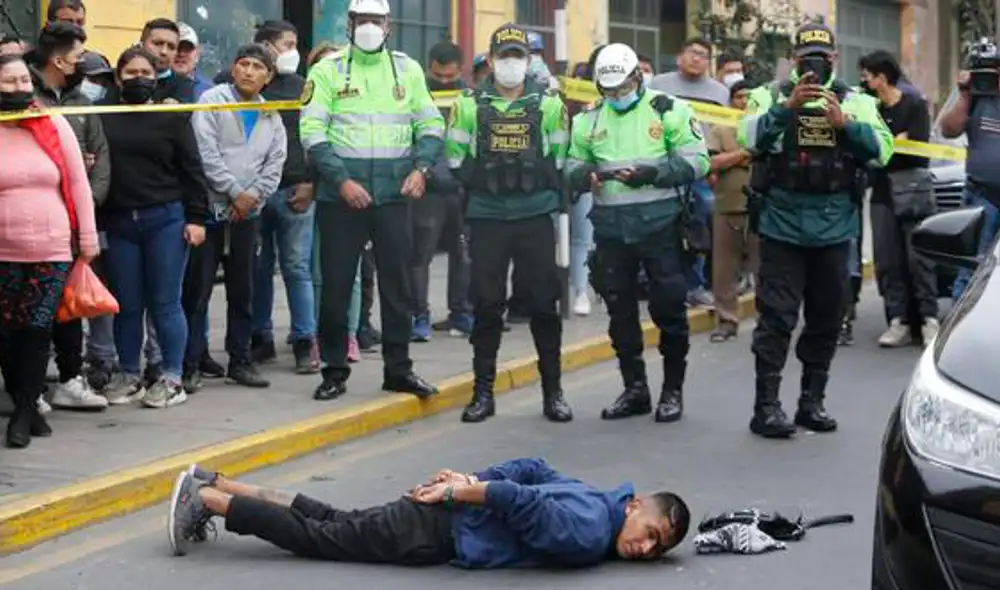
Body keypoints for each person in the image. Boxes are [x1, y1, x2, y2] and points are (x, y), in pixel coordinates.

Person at [737, 23, 893, 439]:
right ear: (793, 55)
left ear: (835, 59)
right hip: (782, 225)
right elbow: (747, 138)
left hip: (834, 227)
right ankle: (765, 407)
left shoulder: (856, 101)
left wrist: (846, 126)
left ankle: (811, 402)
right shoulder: (767, 95)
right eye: (807, 55)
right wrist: (784, 109)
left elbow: (882, 151)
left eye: (822, 56)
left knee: (826, 319)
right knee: (776, 319)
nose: (815, 63)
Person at [300, 0, 444, 401]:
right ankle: (333, 371)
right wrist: (342, 181)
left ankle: (399, 370)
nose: (368, 27)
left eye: (375, 20)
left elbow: (431, 123)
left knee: (397, 288)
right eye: (360, 20)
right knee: (336, 289)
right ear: (349, 24)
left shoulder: (407, 69)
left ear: (389, 25)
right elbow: (312, 132)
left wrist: (422, 169)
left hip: (395, 197)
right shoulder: (327, 70)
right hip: (341, 198)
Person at [166, 458, 691, 567]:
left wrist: (468, 478)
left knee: (332, 519)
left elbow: (530, 469)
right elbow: (519, 497)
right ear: (636, 505)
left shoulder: (591, 492)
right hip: (438, 531)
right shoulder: (589, 533)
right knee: (320, 537)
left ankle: (217, 482)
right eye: (650, 533)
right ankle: (206, 501)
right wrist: (459, 492)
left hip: (444, 515)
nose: (645, 547)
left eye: (656, 548)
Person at [566, 43, 710, 423]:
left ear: (637, 77)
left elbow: (699, 161)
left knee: (669, 311)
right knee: (620, 314)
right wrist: (585, 176)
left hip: (661, 228)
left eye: (622, 88)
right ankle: (635, 390)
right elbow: (570, 167)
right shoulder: (589, 119)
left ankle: (672, 392)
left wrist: (655, 173)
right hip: (612, 232)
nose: (616, 96)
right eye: (608, 90)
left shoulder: (669, 110)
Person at [446, 24, 572, 424]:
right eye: (505, 56)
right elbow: (454, 158)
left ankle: (553, 393)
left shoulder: (549, 106)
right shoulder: (469, 105)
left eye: (519, 56)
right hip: (487, 219)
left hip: (535, 216)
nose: (512, 64)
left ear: (530, 60)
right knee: (486, 305)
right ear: (491, 60)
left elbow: (561, 159)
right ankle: (483, 393)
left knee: (543, 306)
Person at [99, 46, 208, 408]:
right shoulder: (103, 115)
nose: (139, 79)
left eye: (146, 73)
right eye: (131, 73)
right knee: (127, 305)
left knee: (165, 303)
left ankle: (172, 377)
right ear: (118, 79)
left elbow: (192, 168)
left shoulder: (171, 115)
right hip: (119, 222)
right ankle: (129, 374)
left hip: (165, 219)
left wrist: (196, 218)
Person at [0, 54, 99, 446]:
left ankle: (25, 410)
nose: (18, 87)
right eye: (8, 81)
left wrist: (87, 241)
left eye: (23, 80)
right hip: (4, 250)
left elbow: (78, 184)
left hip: (52, 247)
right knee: (7, 332)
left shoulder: (54, 124)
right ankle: (24, 400)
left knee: (38, 327)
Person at [185, 44, 286, 391]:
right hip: (211, 211)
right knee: (197, 289)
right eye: (243, 64)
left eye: (258, 67)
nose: (249, 72)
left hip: (248, 215)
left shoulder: (271, 114)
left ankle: (240, 360)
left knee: (243, 289)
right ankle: (191, 361)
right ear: (233, 67)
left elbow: (275, 164)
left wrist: (252, 197)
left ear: (268, 77)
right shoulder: (213, 100)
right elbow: (205, 153)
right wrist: (233, 191)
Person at [29, 22, 111, 411]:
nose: (83, 62)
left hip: (75, 220)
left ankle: (69, 378)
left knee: (69, 305)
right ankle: (26, 382)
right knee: (31, 306)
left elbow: (100, 158)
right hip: (31, 221)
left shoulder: (82, 102)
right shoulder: (23, 99)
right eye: (78, 56)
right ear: (60, 60)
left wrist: (84, 204)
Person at [244, 21, 320, 374]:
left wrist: (312, 183)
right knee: (258, 270)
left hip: (295, 190)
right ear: (263, 47)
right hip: (254, 192)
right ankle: (261, 339)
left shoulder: (304, 87)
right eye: (285, 44)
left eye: (294, 44)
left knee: (296, 267)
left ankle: (305, 341)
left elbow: (319, 136)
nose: (292, 51)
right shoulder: (239, 88)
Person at [859, 50, 938, 348]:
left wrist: (886, 145)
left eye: (867, 75)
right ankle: (898, 320)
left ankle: (928, 319)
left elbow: (916, 147)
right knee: (888, 259)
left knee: (919, 258)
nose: (864, 81)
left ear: (882, 77)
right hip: (882, 192)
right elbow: (869, 149)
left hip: (914, 190)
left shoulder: (914, 104)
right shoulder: (871, 109)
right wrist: (893, 143)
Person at [651, 38, 729, 308]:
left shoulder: (720, 92)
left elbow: (722, 130)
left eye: (704, 55)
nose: (698, 59)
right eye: (693, 53)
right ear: (679, 57)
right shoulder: (659, 85)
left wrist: (715, 164)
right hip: (663, 165)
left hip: (701, 169)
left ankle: (695, 285)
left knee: (700, 226)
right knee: (663, 227)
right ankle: (664, 285)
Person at [414, 41, 473, 341]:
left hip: (462, 187)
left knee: (463, 253)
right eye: (439, 75)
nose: (445, 81)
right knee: (420, 255)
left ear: (460, 70)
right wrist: (429, 174)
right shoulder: (417, 92)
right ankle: (419, 316)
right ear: (429, 67)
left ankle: (461, 313)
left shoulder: (470, 97)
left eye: (451, 76)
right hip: (429, 187)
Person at [939, 43, 1000, 300]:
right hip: (982, 197)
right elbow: (948, 129)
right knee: (971, 272)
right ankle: (961, 332)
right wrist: (964, 93)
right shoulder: (976, 96)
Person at [707, 80, 757, 342]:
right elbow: (711, 162)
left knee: (766, 269)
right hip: (728, 206)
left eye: (749, 97)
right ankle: (726, 320)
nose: (744, 102)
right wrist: (744, 155)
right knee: (725, 269)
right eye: (739, 97)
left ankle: (768, 321)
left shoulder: (765, 125)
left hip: (762, 208)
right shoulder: (721, 127)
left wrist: (734, 158)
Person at [564, 44, 605, 318]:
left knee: (593, 238)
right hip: (581, 173)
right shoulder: (576, 93)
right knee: (581, 235)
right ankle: (580, 291)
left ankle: (598, 285)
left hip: (616, 173)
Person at [139, 18, 195, 104]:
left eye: (171, 47)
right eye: (158, 43)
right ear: (141, 45)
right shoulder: (118, 79)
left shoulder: (184, 86)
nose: (164, 52)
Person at [173, 22, 213, 100]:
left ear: (197, 53)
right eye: (176, 48)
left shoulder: (210, 92)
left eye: (187, 48)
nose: (181, 54)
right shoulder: (151, 85)